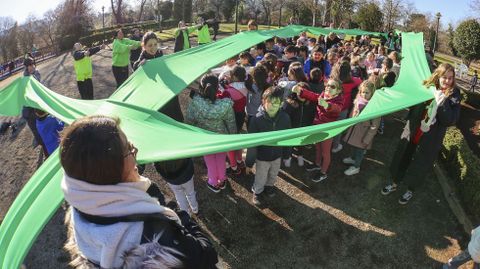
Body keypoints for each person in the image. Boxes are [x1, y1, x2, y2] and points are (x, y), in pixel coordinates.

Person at [60, 115, 218, 268]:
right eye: (129, 149)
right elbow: (207, 255)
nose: (135, 151)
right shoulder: (156, 240)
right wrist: (176, 214)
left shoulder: (80, 208)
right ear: (112, 170)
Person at [381, 63, 461, 205]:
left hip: (430, 138)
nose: (447, 81)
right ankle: (395, 182)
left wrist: (442, 103)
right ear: (438, 75)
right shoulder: (427, 86)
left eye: (450, 78)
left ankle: (410, 188)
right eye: (444, 77)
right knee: (403, 156)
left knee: (420, 164)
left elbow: (450, 120)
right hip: (413, 130)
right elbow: (411, 102)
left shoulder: (454, 94)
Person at [185, 74, 237, 192]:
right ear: (217, 87)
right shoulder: (225, 105)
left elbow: (189, 121)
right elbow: (231, 123)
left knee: (209, 161)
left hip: (205, 139)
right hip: (221, 137)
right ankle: (222, 180)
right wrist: (233, 136)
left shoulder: (195, 103)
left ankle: (213, 182)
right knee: (221, 159)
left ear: (201, 88)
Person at [247, 86, 291, 205]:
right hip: (262, 157)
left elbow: (288, 138)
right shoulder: (256, 120)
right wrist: (249, 162)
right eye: (269, 102)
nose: (272, 106)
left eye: (276, 103)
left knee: (273, 173)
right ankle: (258, 191)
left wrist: (287, 155)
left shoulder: (285, 118)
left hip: (277, 155)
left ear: (281, 104)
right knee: (260, 176)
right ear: (263, 101)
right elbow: (251, 143)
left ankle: (269, 186)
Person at [293, 78, 344, 182]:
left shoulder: (339, 100)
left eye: (332, 86)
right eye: (327, 85)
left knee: (325, 152)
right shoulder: (323, 94)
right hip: (317, 126)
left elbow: (337, 109)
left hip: (327, 131)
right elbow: (313, 96)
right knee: (318, 147)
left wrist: (327, 105)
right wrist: (301, 91)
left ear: (338, 91)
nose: (328, 88)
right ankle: (317, 164)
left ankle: (323, 172)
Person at [217, 66, 251, 175]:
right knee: (238, 136)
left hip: (231, 117)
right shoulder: (247, 86)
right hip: (241, 115)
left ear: (234, 76)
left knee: (230, 142)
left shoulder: (228, 90)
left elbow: (222, 99)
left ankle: (233, 166)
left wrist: (222, 89)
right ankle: (239, 160)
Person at [342, 81, 379, 175]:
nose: (364, 94)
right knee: (354, 146)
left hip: (364, 134)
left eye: (367, 92)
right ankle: (353, 158)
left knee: (360, 151)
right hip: (355, 130)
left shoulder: (374, 107)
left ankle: (356, 166)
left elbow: (374, 126)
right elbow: (352, 113)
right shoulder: (358, 100)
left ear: (372, 93)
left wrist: (367, 139)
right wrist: (349, 124)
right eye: (363, 92)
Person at [330, 61, 363, 154]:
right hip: (343, 108)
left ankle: (327, 143)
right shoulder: (352, 81)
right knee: (338, 128)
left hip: (332, 107)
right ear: (349, 71)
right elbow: (360, 81)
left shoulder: (332, 81)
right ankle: (335, 146)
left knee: (329, 126)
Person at [22, 57, 48, 155]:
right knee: (36, 131)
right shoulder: (24, 78)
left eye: (33, 64)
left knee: (44, 127)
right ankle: (43, 147)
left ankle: (46, 146)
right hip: (29, 111)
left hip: (37, 107)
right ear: (26, 67)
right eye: (29, 65)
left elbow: (37, 84)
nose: (32, 66)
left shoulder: (36, 73)